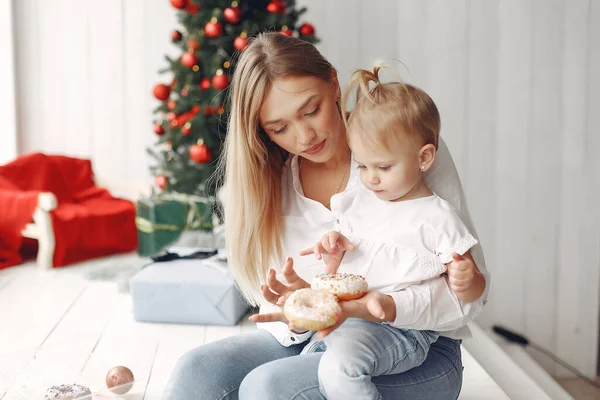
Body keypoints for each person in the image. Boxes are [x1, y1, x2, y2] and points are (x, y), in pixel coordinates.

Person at [163, 32, 489, 400]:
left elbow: (467, 295)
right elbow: (300, 311)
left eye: (311, 110)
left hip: (416, 346)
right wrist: (304, 304)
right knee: (197, 373)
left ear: (333, 83)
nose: (304, 136)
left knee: (267, 387)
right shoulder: (274, 182)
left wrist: (371, 308)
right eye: (280, 128)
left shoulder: (399, 147)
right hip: (319, 339)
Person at [297, 64, 481, 399]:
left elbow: (470, 295)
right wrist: (335, 252)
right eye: (363, 166)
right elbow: (358, 266)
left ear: (424, 158)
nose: (371, 178)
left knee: (338, 369)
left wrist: (469, 280)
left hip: (404, 331)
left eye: (383, 167)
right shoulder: (359, 202)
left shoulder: (437, 217)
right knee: (310, 364)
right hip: (356, 322)